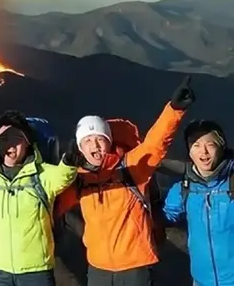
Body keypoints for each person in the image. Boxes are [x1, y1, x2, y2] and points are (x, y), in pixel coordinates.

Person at [54, 76, 195, 286]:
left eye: (100, 139)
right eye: (87, 141)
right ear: (80, 148)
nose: (95, 145)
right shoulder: (80, 179)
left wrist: (174, 110)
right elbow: (53, 203)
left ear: (109, 142)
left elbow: (155, 144)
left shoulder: (130, 167)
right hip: (98, 268)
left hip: (135, 266)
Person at [0, 110, 79, 286]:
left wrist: (69, 162)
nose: (9, 144)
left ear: (27, 142)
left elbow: (62, 176)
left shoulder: (41, 174)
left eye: (16, 138)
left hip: (36, 272)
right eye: (3, 139)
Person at [163, 119, 234, 286]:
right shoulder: (184, 188)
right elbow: (166, 216)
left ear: (221, 147)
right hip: (201, 281)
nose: (204, 152)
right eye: (196, 145)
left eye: (210, 144)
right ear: (189, 152)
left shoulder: (231, 183)